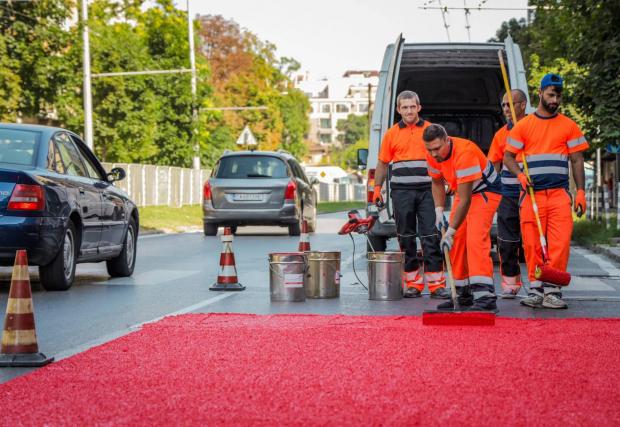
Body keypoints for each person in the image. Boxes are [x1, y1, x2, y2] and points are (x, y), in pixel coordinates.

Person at [503, 73, 588, 309]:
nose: (555, 99)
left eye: (558, 95)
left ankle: (553, 291)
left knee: (559, 244)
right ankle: (536, 289)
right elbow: (508, 156)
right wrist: (520, 175)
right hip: (532, 195)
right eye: (551, 94)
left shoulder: (568, 125)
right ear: (539, 93)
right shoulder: (524, 126)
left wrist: (580, 191)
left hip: (559, 195)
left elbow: (577, 160)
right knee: (532, 244)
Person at [373, 91, 448, 298]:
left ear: (419, 107)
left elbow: (443, 157)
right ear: (398, 110)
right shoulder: (391, 134)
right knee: (406, 239)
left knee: (431, 237)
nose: (409, 111)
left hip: (428, 191)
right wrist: (377, 189)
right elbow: (382, 164)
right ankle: (413, 284)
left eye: (412, 107)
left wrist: (449, 181)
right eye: (404, 107)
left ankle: (436, 285)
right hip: (401, 193)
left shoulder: (431, 130)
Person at [423, 124, 502, 312]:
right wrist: (438, 211)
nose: (434, 154)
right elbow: (436, 182)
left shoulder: (465, 153)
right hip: (464, 190)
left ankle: (486, 297)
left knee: (475, 240)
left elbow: (466, 200)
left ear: (447, 140)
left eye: (437, 148)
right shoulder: (432, 155)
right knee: (457, 242)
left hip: (485, 192)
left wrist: (449, 231)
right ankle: (462, 294)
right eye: (430, 149)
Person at [487, 89, 527, 298]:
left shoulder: (534, 128)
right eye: (503, 105)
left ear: (523, 105)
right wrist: (493, 191)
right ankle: (511, 283)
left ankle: (540, 284)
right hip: (508, 191)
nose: (505, 109)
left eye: (509, 104)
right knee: (507, 240)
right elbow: (493, 165)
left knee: (531, 240)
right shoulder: (501, 134)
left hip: (531, 191)